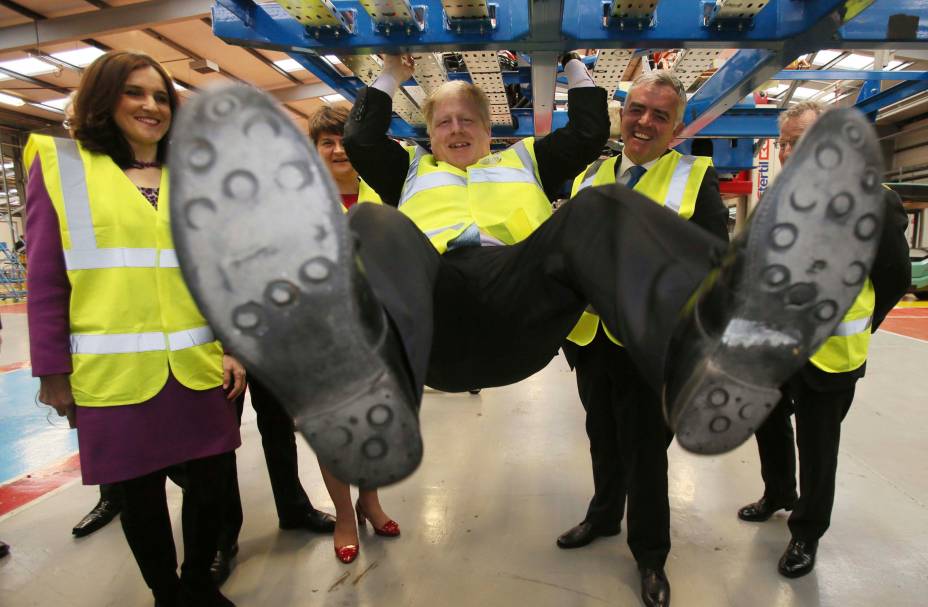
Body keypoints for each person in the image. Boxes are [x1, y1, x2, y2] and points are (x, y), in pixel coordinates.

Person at [164, 51, 887, 526]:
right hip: (436, 307)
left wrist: (574, 65)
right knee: (378, 223)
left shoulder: (527, 161)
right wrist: (386, 72)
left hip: (517, 306)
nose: (452, 130)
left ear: (487, 130)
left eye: (465, 122)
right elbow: (358, 139)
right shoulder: (407, 170)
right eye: (441, 123)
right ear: (429, 134)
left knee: (594, 207)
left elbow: (593, 125)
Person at [25, 50, 243, 607]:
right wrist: (52, 372)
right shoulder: (64, 165)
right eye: (134, 93)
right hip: (116, 372)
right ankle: (166, 593)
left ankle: (198, 583)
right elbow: (46, 279)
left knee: (213, 482)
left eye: (161, 96)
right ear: (103, 98)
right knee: (139, 493)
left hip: (195, 364)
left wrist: (231, 347)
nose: (151, 105)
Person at [557, 70, 729, 607]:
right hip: (592, 339)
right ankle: (604, 515)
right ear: (622, 113)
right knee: (602, 435)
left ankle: (651, 556)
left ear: (676, 127)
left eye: (660, 115)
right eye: (637, 109)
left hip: (651, 347)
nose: (645, 122)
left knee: (646, 452)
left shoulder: (695, 178)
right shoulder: (590, 176)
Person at [736, 100, 911, 578]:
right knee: (767, 423)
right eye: (787, 142)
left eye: (805, 140)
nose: (793, 151)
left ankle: (806, 531)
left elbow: (894, 277)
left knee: (817, 447)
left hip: (829, 355)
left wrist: (857, 327)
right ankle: (778, 492)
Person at [306, 105, 399, 564]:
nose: (338, 149)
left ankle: (371, 499)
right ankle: (345, 516)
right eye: (327, 142)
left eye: (343, 139)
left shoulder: (383, 195)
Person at [58, 90, 124, 540]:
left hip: (157, 331)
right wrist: (53, 368)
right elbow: (54, 277)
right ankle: (110, 495)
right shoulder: (67, 177)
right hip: (96, 336)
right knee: (107, 441)